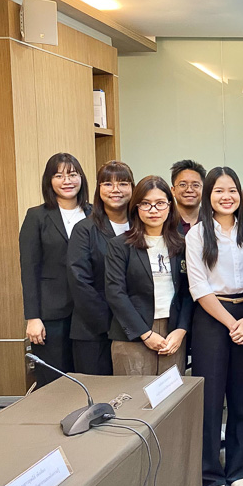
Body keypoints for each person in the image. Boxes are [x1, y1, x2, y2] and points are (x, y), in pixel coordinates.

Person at [186, 167, 243, 486]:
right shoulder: (197, 235)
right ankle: (210, 472)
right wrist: (232, 323)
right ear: (208, 196)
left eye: (232, 190)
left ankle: (240, 466)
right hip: (212, 317)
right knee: (211, 398)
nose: (226, 197)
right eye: (219, 191)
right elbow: (199, 287)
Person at [105, 176, 193, 376]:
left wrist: (181, 330)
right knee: (134, 394)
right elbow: (115, 292)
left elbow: (189, 291)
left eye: (160, 203)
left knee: (171, 393)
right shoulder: (119, 245)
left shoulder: (182, 244)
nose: (153, 210)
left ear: (170, 206)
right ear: (136, 207)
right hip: (133, 333)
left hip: (172, 333)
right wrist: (145, 334)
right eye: (145, 204)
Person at [19, 153, 91, 387]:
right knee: (53, 383)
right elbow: (29, 269)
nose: (67, 181)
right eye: (59, 176)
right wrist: (33, 318)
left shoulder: (95, 214)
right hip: (51, 315)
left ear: (81, 178)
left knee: (89, 379)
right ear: (49, 181)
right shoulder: (36, 216)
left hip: (89, 313)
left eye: (72, 174)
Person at [67, 161, 134, 375]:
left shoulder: (142, 227)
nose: (116, 189)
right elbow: (79, 282)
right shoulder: (84, 229)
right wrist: (111, 323)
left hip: (135, 328)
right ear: (98, 189)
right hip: (94, 330)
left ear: (132, 188)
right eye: (108, 184)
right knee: (98, 392)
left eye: (123, 183)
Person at [171, 159, 207, 235]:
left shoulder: (212, 221)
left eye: (195, 185)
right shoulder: (164, 221)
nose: (189, 190)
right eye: (183, 185)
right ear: (173, 190)